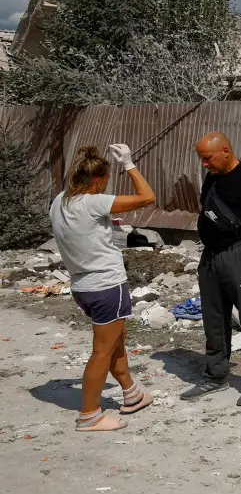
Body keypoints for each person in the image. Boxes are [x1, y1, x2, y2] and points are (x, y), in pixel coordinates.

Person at [49, 144, 157, 432]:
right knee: (102, 350)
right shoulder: (93, 202)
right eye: (106, 182)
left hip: (82, 286)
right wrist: (129, 165)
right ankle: (89, 415)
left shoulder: (59, 201)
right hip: (107, 284)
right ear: (98, 180)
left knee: (117, 338)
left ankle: (132, 394)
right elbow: (147, 197)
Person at [180, 132, 241, 407]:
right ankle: (216, 374)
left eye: (207, 158)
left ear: (225, 150)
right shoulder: (212, 177)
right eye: (201, 159)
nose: (204, 164)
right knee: (213, 317)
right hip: (211, 256)